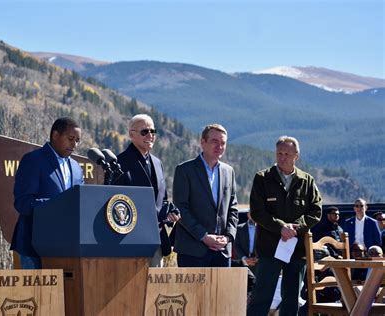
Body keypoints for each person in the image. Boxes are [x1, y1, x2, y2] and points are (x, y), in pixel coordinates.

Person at [247, 135, 322, 316]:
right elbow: (257, 211)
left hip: (296, 250)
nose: (282, 157)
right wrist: (281, 227)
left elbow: (316, 211)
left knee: (291, 298)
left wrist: (295, 227)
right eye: (279, 153)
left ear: (297, 155)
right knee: (261, 296)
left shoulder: (307, 181)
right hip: (269, 248)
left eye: (287, 154)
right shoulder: (262, 178)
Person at [11, 117, 84, 269]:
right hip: (33, 247)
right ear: (55, 135)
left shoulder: (76, 167)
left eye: (78, 140)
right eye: (70, 139)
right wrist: (57, 205)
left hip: (67, 248)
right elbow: (23, 203)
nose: (74, 145)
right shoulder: (33, 160)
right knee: (34, 294)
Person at [113, 114, 180, 267]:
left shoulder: (157, 163)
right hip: (130, 241)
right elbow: (114, 204)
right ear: (131, 134)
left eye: (153, 131)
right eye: (144, 132)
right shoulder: (120, 163)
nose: (150, 135)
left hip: (156, 240)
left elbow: (162, 199)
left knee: (155, 289)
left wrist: (170, 211)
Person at [173, 123, 239, 267]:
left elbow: (233, 208)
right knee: (191, 291)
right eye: (214, 141)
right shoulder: (185, 170)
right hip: (193, 251)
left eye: (223, 143)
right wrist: (204, 236)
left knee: (221, 291)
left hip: (222, 252)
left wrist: (228, 237)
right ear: (202, 142)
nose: (219, 146)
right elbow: (180, 209)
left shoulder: (229, 171)